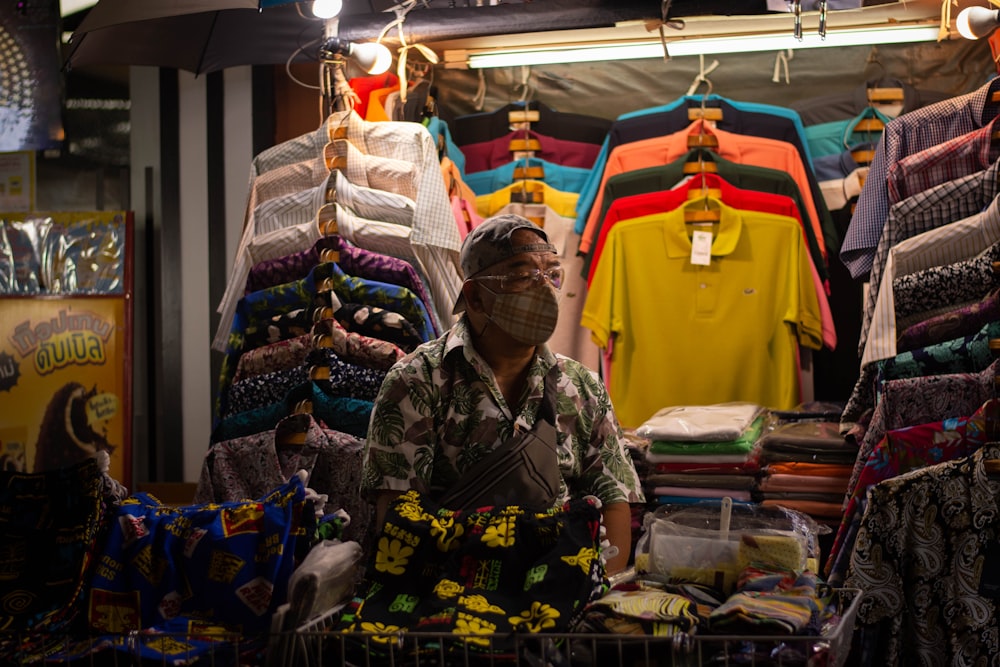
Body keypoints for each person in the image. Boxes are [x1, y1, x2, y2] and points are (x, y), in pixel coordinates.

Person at [361, 213, 644, 574]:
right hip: (445, 593)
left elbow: (613, 499)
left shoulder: (581, 386)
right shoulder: (417, 381)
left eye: (550, 274)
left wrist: (600, 593)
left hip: (560, 593)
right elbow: (397, 517)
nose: (543, 289)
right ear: (475, 296)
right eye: (523, 276)